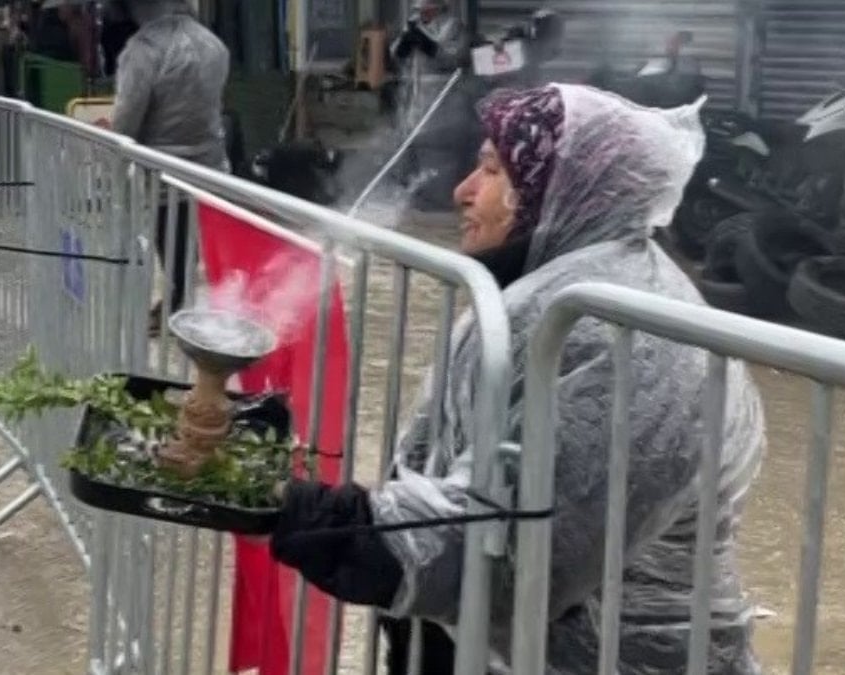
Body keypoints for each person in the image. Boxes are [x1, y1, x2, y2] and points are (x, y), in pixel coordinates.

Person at [270, 84, 767, 675]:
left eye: (490, 170)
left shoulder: (633, 335)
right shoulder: (548, 293)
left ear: (565, 191)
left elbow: (527, 554)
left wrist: (320, 520)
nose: (462, 191)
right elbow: (449, 462)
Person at [108, 0, 228, 323]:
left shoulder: (142, 50)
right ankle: (187, 298)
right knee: (191, 236)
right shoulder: (214, 45)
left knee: (169, 233)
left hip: (163, 168)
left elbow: (127, 120)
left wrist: (113, 160)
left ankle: (177, 305)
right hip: (210, 165)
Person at [389, 0, 473, 213]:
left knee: (437, 157)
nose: (421, 13)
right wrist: (405, 42)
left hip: (442, 105)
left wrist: (427, 43)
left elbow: (454, 56)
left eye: (426, 10)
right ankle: (414, 201)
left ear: (438, 8)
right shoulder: (415, 25)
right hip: (413, 102)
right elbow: (396, 54)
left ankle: (438, 204)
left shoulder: (453, 26)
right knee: (409, 154)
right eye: (419, 10)